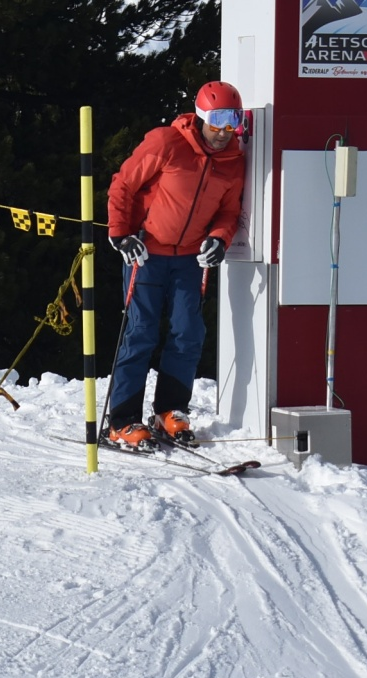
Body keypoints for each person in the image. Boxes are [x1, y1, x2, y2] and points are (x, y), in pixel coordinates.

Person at [104, 81, 247, 448]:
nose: (224, 130)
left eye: (233, 120)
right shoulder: (166, 142)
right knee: (141, 332)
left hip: (189, 259)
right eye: (217, 120)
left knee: (188, 332)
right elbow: (123, 185)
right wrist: (121, 234)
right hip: (146, 253)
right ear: (200, 116)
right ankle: (122, 419)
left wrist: (219, 239)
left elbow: (229, 212)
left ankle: (170, 410)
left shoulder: (234, 162)